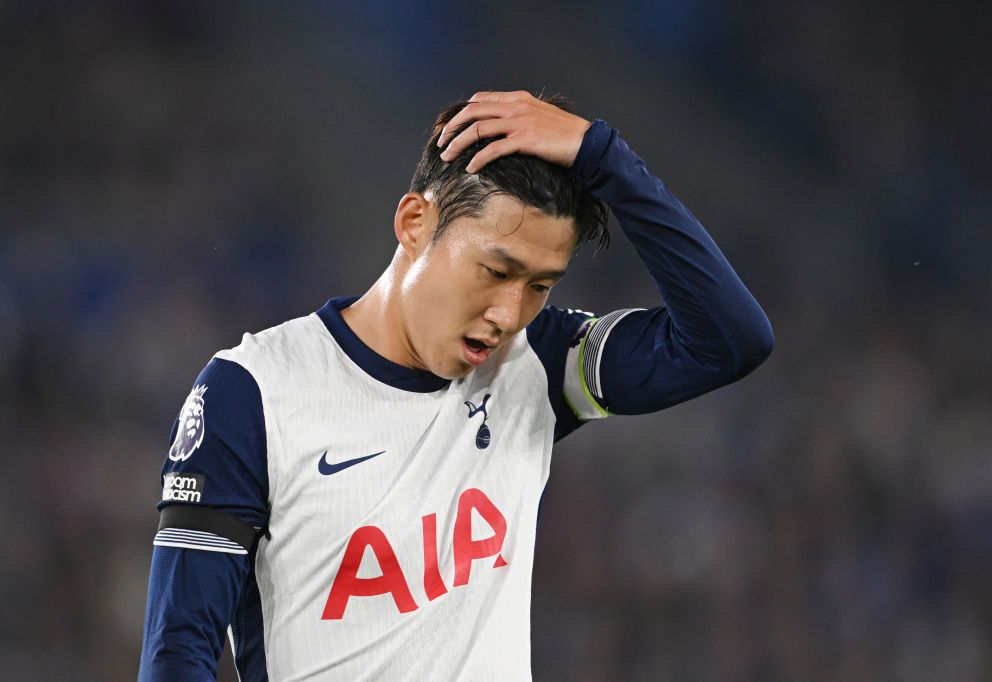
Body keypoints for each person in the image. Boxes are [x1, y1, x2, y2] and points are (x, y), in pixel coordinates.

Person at [138, 90, 774, 681]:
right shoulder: (254, 392)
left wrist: (605, 157)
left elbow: (731, 340)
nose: (508, 311)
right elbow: (180, 647)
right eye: (495, 270)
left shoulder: (539, 364)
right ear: (415, 222)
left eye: (540, 286)